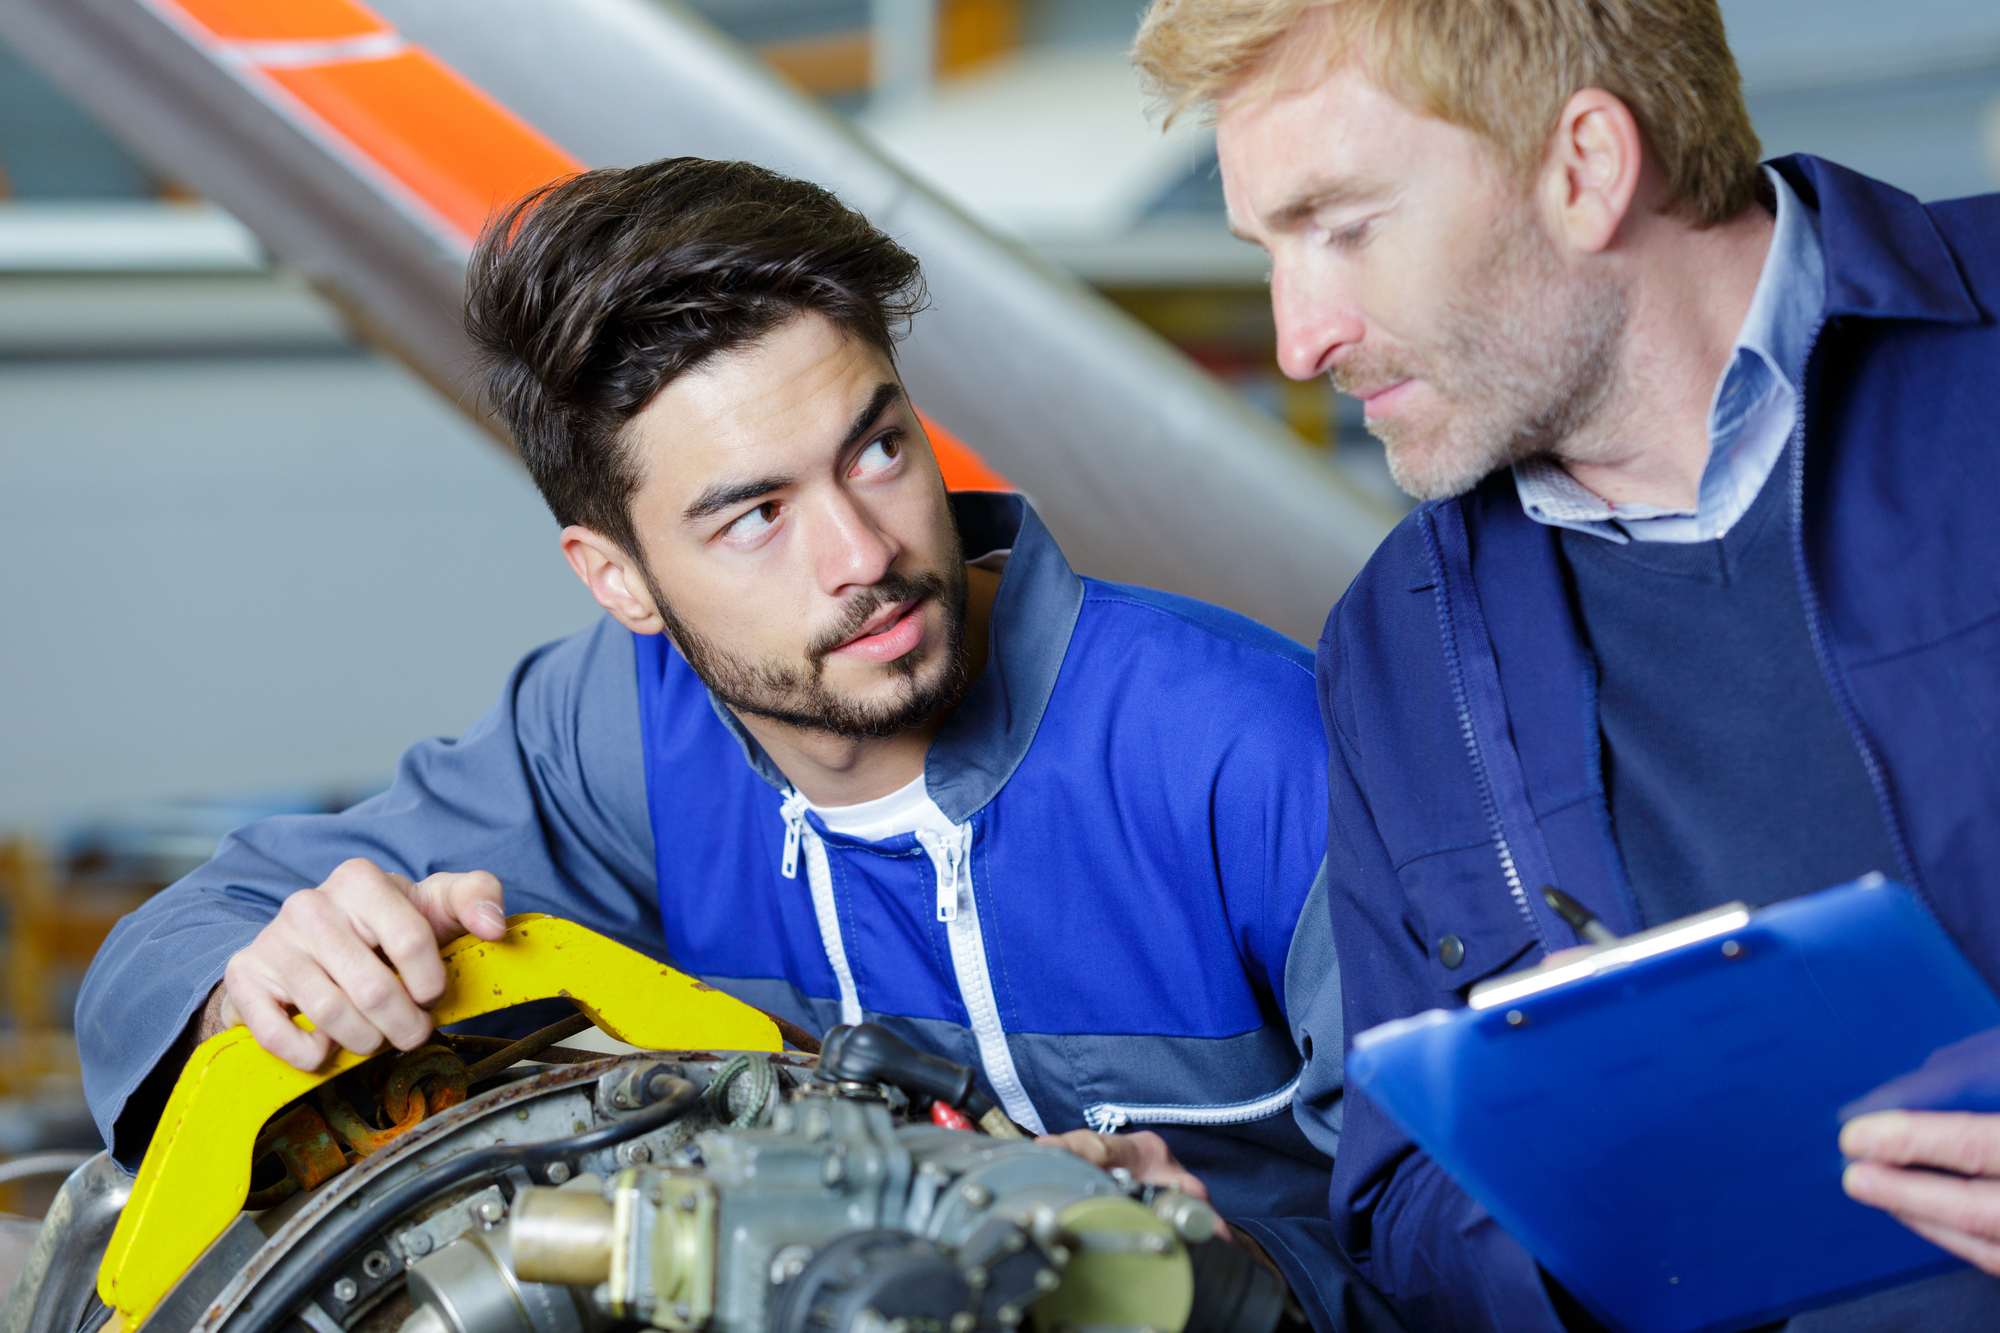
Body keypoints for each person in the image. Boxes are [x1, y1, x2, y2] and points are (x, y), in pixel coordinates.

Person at [77, 158, 1404, 1333]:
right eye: (752, 516)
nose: (865, 553)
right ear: (621, 581)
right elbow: (181, 937)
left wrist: (1236, 1279)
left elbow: (1497, 1253)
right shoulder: (620, 734)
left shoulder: (1250, 752)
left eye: (878, 449)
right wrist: (262, 972)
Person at [1133, 0, 2000, 1329]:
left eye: (1346, 229)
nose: (1300, 338)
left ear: (1586, 168)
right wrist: (1598, 1188)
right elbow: (1399, 1193)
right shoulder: (1394, 644)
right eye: (1272, 249)